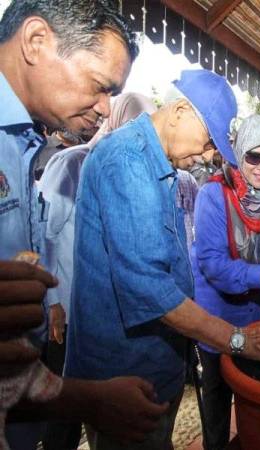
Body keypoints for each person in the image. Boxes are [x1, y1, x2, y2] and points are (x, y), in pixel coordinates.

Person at [65, 71, 260, 449]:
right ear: (179, 111)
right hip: (123, 374)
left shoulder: (159, 166)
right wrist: (238, 340)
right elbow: (150, 290)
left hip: (158, 362)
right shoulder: (126, 162)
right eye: (208, 140)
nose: (209, 153)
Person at [0, 0, 169, 447]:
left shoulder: (23, 143)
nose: (104, 107)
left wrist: (88, 399)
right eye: (99, 86)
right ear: (36, 42)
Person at [38, 93, 157, 450]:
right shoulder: (70, 163)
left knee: (101, 405)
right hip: (67, 313)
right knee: (64, 408)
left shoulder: (131, 174)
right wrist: (53, 302)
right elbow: (43, 235)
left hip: (102, 315)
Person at [192, 114, 260, 450]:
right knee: (218, 396)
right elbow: (212, 265)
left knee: (254, 392)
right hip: (218, 315)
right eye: (253, 156)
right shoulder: (213, 195)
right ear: (238, 154)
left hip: (258, 313)